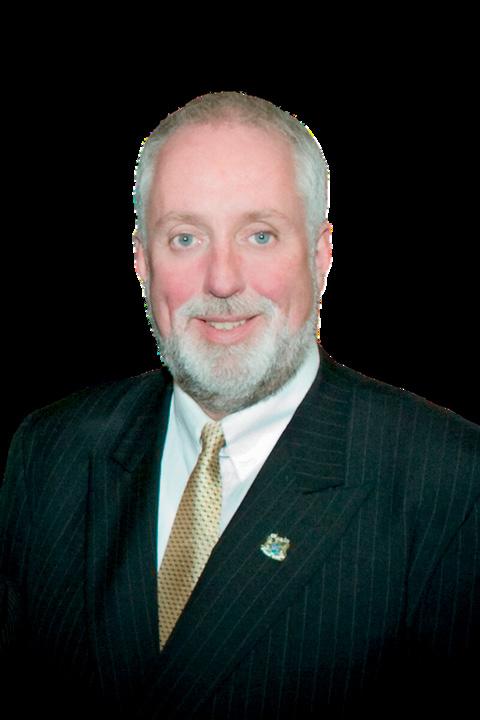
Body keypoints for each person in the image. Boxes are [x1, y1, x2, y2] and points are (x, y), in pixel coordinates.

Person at [1, 91, 478, 719]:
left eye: (259, 235)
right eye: (186, 238)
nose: (222, 280)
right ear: (141, 260)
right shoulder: (49, 453)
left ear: (321, 255)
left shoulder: (449, 481)